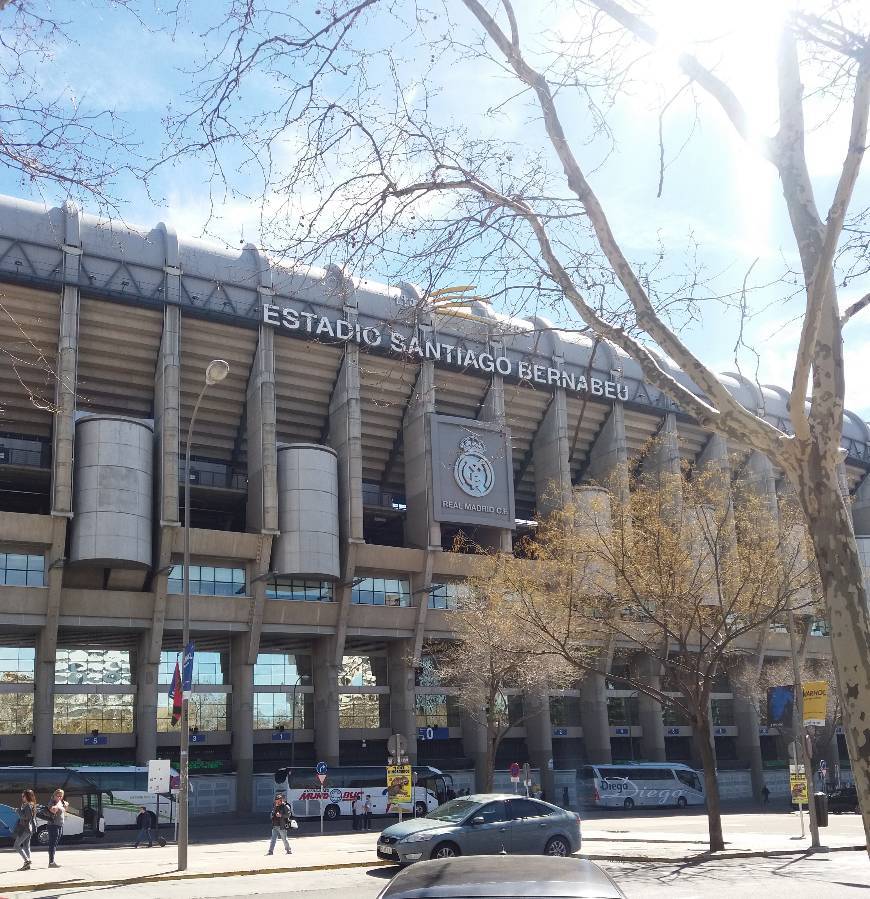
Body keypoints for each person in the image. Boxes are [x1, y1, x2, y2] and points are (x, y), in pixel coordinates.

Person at [12, 789, 37, 871]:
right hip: (28, 828)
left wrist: (18, 811)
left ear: (28, 796)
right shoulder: (29, 804)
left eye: (23, 796)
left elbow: (26, 817)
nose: (22, 797)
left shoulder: (28, 805)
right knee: (26, 846)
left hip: (25, 828)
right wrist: (18, 810)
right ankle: (27, 865)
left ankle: (27, 860)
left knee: (16, 845)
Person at [46, 788, 68, 869]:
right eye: (58, 795)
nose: (59, 797)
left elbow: (64, 811)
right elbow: (53, 810)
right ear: (54, 795)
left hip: (59, 825)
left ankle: (52, 862)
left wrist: (65, 806)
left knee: (55, 844)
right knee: (52, 844)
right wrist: (58, 805)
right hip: (53, 825)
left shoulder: (60, 802)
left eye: (61, 796)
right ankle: (51, 862)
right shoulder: (52, 802)